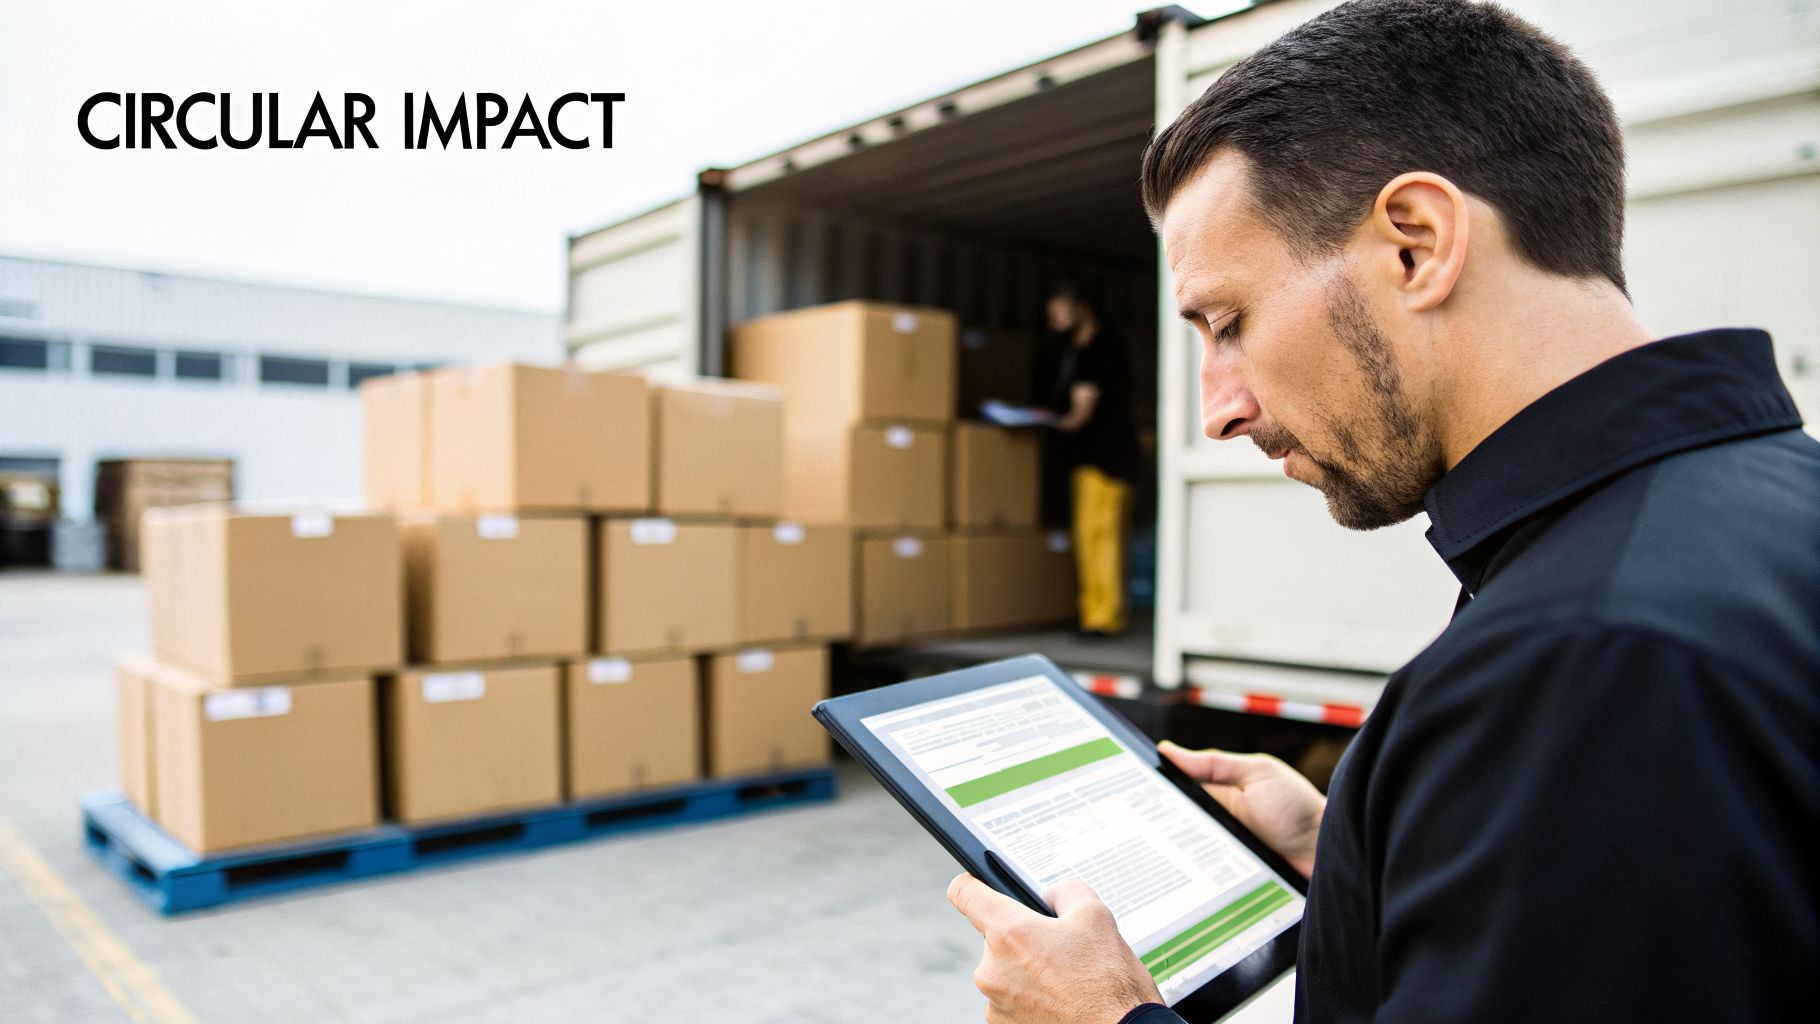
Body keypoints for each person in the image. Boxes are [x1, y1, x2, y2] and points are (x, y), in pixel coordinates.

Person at [944, 1, 1820, 1021]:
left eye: (1226, 323)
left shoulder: (1580, 663)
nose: (1218, 409)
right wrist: (1365, 852)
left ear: (1413, 244)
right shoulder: (1761, 497)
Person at [1040, 281, 1142, 637]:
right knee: (1089, 540)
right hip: (1089, 460)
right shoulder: (1076, 348)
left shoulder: (1102, 346)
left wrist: (1046, 421)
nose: (1052, 315)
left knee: (1103, 540)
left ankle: (1106, 619)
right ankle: (1092, 615)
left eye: (1058, 307)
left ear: (1082, 306)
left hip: (1109, 460)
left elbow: (1081, 413)